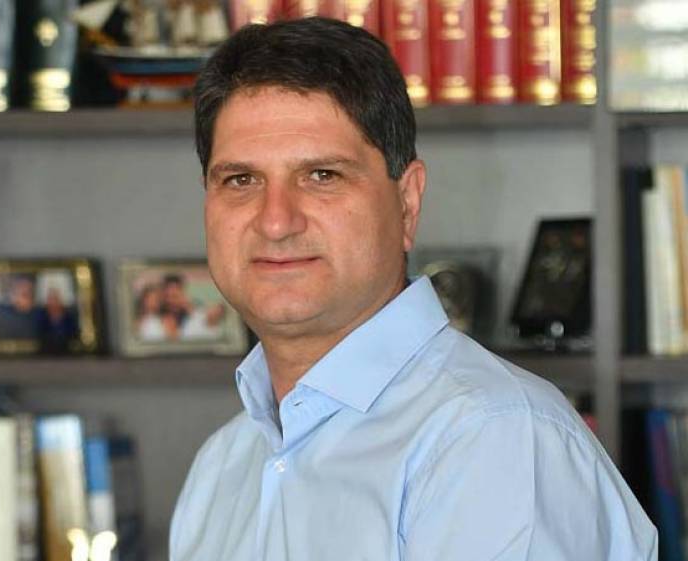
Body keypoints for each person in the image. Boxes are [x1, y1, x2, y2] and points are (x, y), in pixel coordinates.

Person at [170, 17, 657, 561]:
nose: (276, 221)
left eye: (322, 176)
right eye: (241, 180)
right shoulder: (222, 464)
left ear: (407, 202)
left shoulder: (495, 441)